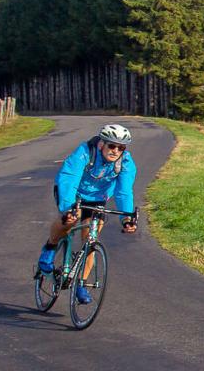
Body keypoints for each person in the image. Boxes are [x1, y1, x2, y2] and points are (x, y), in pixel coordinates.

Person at [35, 124, 138, 304]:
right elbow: (68, 177)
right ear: (101, 144)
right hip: (73, 193)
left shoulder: (126, 163)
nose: (116, 151)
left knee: (91, 238)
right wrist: (69, 208)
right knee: (69, 221)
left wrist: (127, 218)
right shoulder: (84, 152)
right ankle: (49, 249)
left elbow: (124, 192)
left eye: (121, 148)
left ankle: (80, 283)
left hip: (97, 198)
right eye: (112, 146)